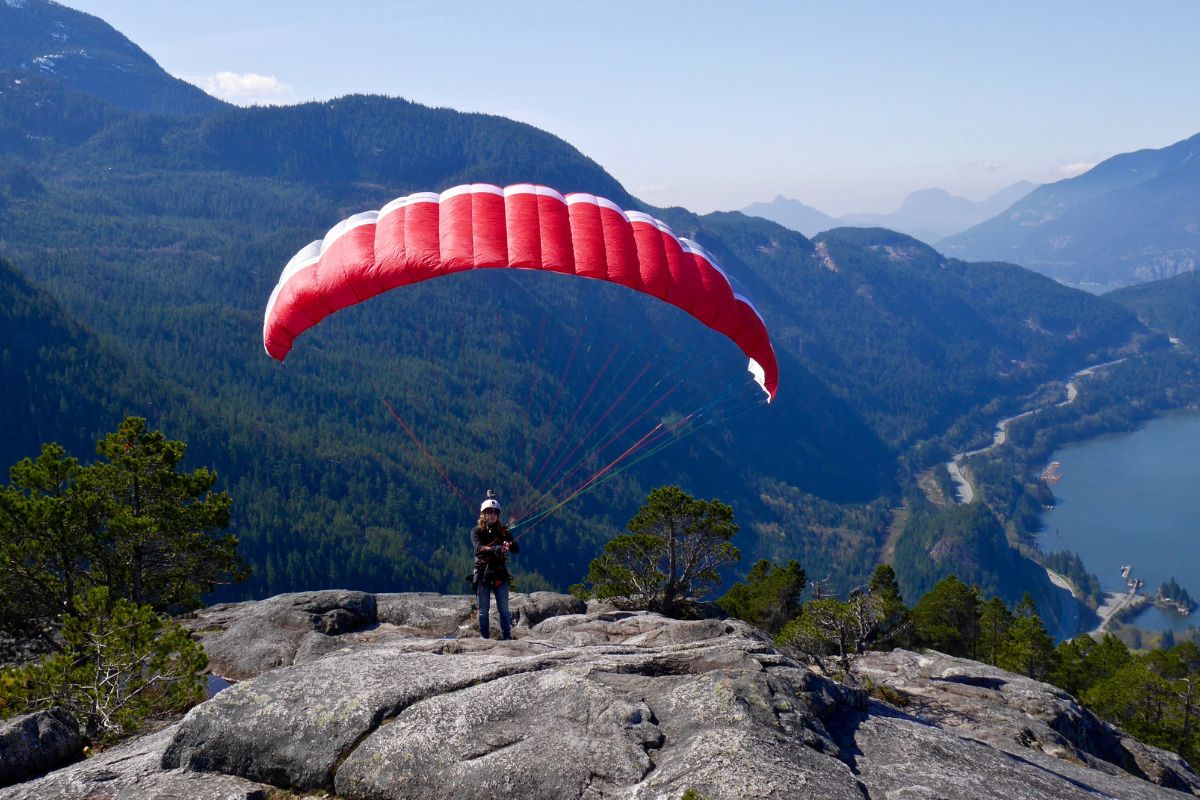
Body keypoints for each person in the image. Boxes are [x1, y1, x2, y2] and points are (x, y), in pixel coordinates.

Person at [472, 494, 519, 640]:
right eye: (489, 512)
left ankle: (507, 637)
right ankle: (484, 638)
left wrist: (509, 544)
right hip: (483, 574)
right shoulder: (476, 531)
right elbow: (479, 548)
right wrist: (497, 548)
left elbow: (516, 549)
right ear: (483, 514)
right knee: (483, 610)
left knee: (504, 610)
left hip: (499, 574)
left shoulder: (504, 532)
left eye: (495, 512)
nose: (492, 515)